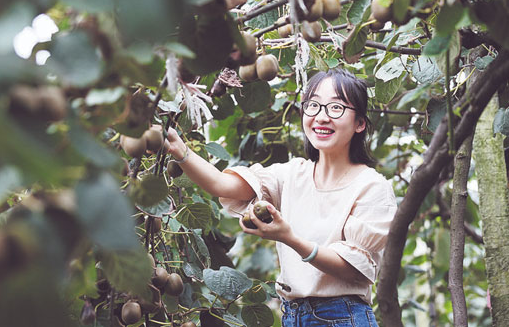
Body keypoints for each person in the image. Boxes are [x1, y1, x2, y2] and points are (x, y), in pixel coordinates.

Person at [164, 68, 397, 326]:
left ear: (360, 123)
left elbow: (354, 269)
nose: (321, 116)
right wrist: (180, 150)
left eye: (336, 108)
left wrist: (289, 238)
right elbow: (222, 185)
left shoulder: (372, 186)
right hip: (292, 316)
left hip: (342, 317)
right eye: (314, 105)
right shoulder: (292, 174)